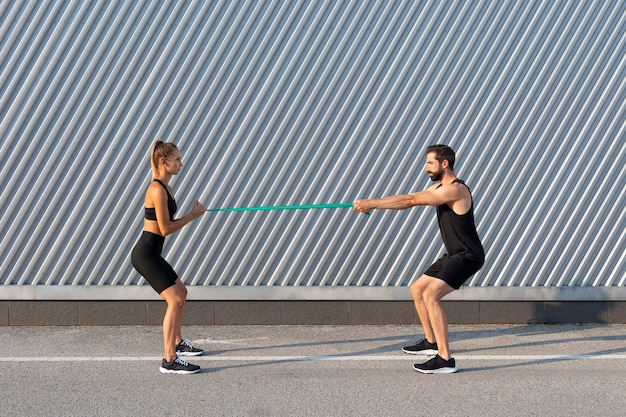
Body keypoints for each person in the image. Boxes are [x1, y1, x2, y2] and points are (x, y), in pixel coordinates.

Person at [354, 144, 484, 374]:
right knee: (418, 289)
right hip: (454, 254)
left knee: (431, 294)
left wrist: (371, 203)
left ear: (445, 163)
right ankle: (430, 342)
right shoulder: (439, 188)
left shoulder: (456, 190)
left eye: (430, 163)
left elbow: (410, 200)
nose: (426, 168)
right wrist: (372, 205)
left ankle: (445, 359)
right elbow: (408, 200)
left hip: (468, 256)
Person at [131, 140, 207, 374]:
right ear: (163, 161)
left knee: (181, 293)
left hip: (154, 252)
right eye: (177, 160)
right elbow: (164, 229)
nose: (181, 164)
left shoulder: (167, 187)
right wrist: (193, 216)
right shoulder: (156, 189)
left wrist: (193, 215)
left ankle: (177, 342)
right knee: (174, 300)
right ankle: (169, 359)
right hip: (145, 254)